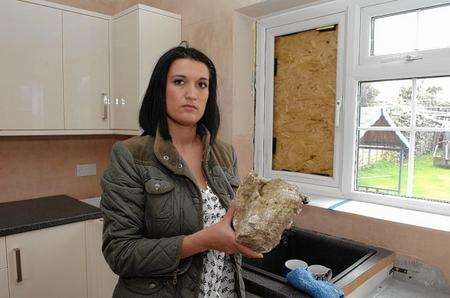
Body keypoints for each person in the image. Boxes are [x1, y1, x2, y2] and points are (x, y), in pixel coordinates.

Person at [100, 44, 262, 298]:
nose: (192, 94)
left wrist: (265, 222)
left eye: (202, 85)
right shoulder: (131, 155)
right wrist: (202, 241)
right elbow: (120, 252)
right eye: (179, 82)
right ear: (160, 90)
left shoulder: (224, 153)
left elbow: (232, 222)